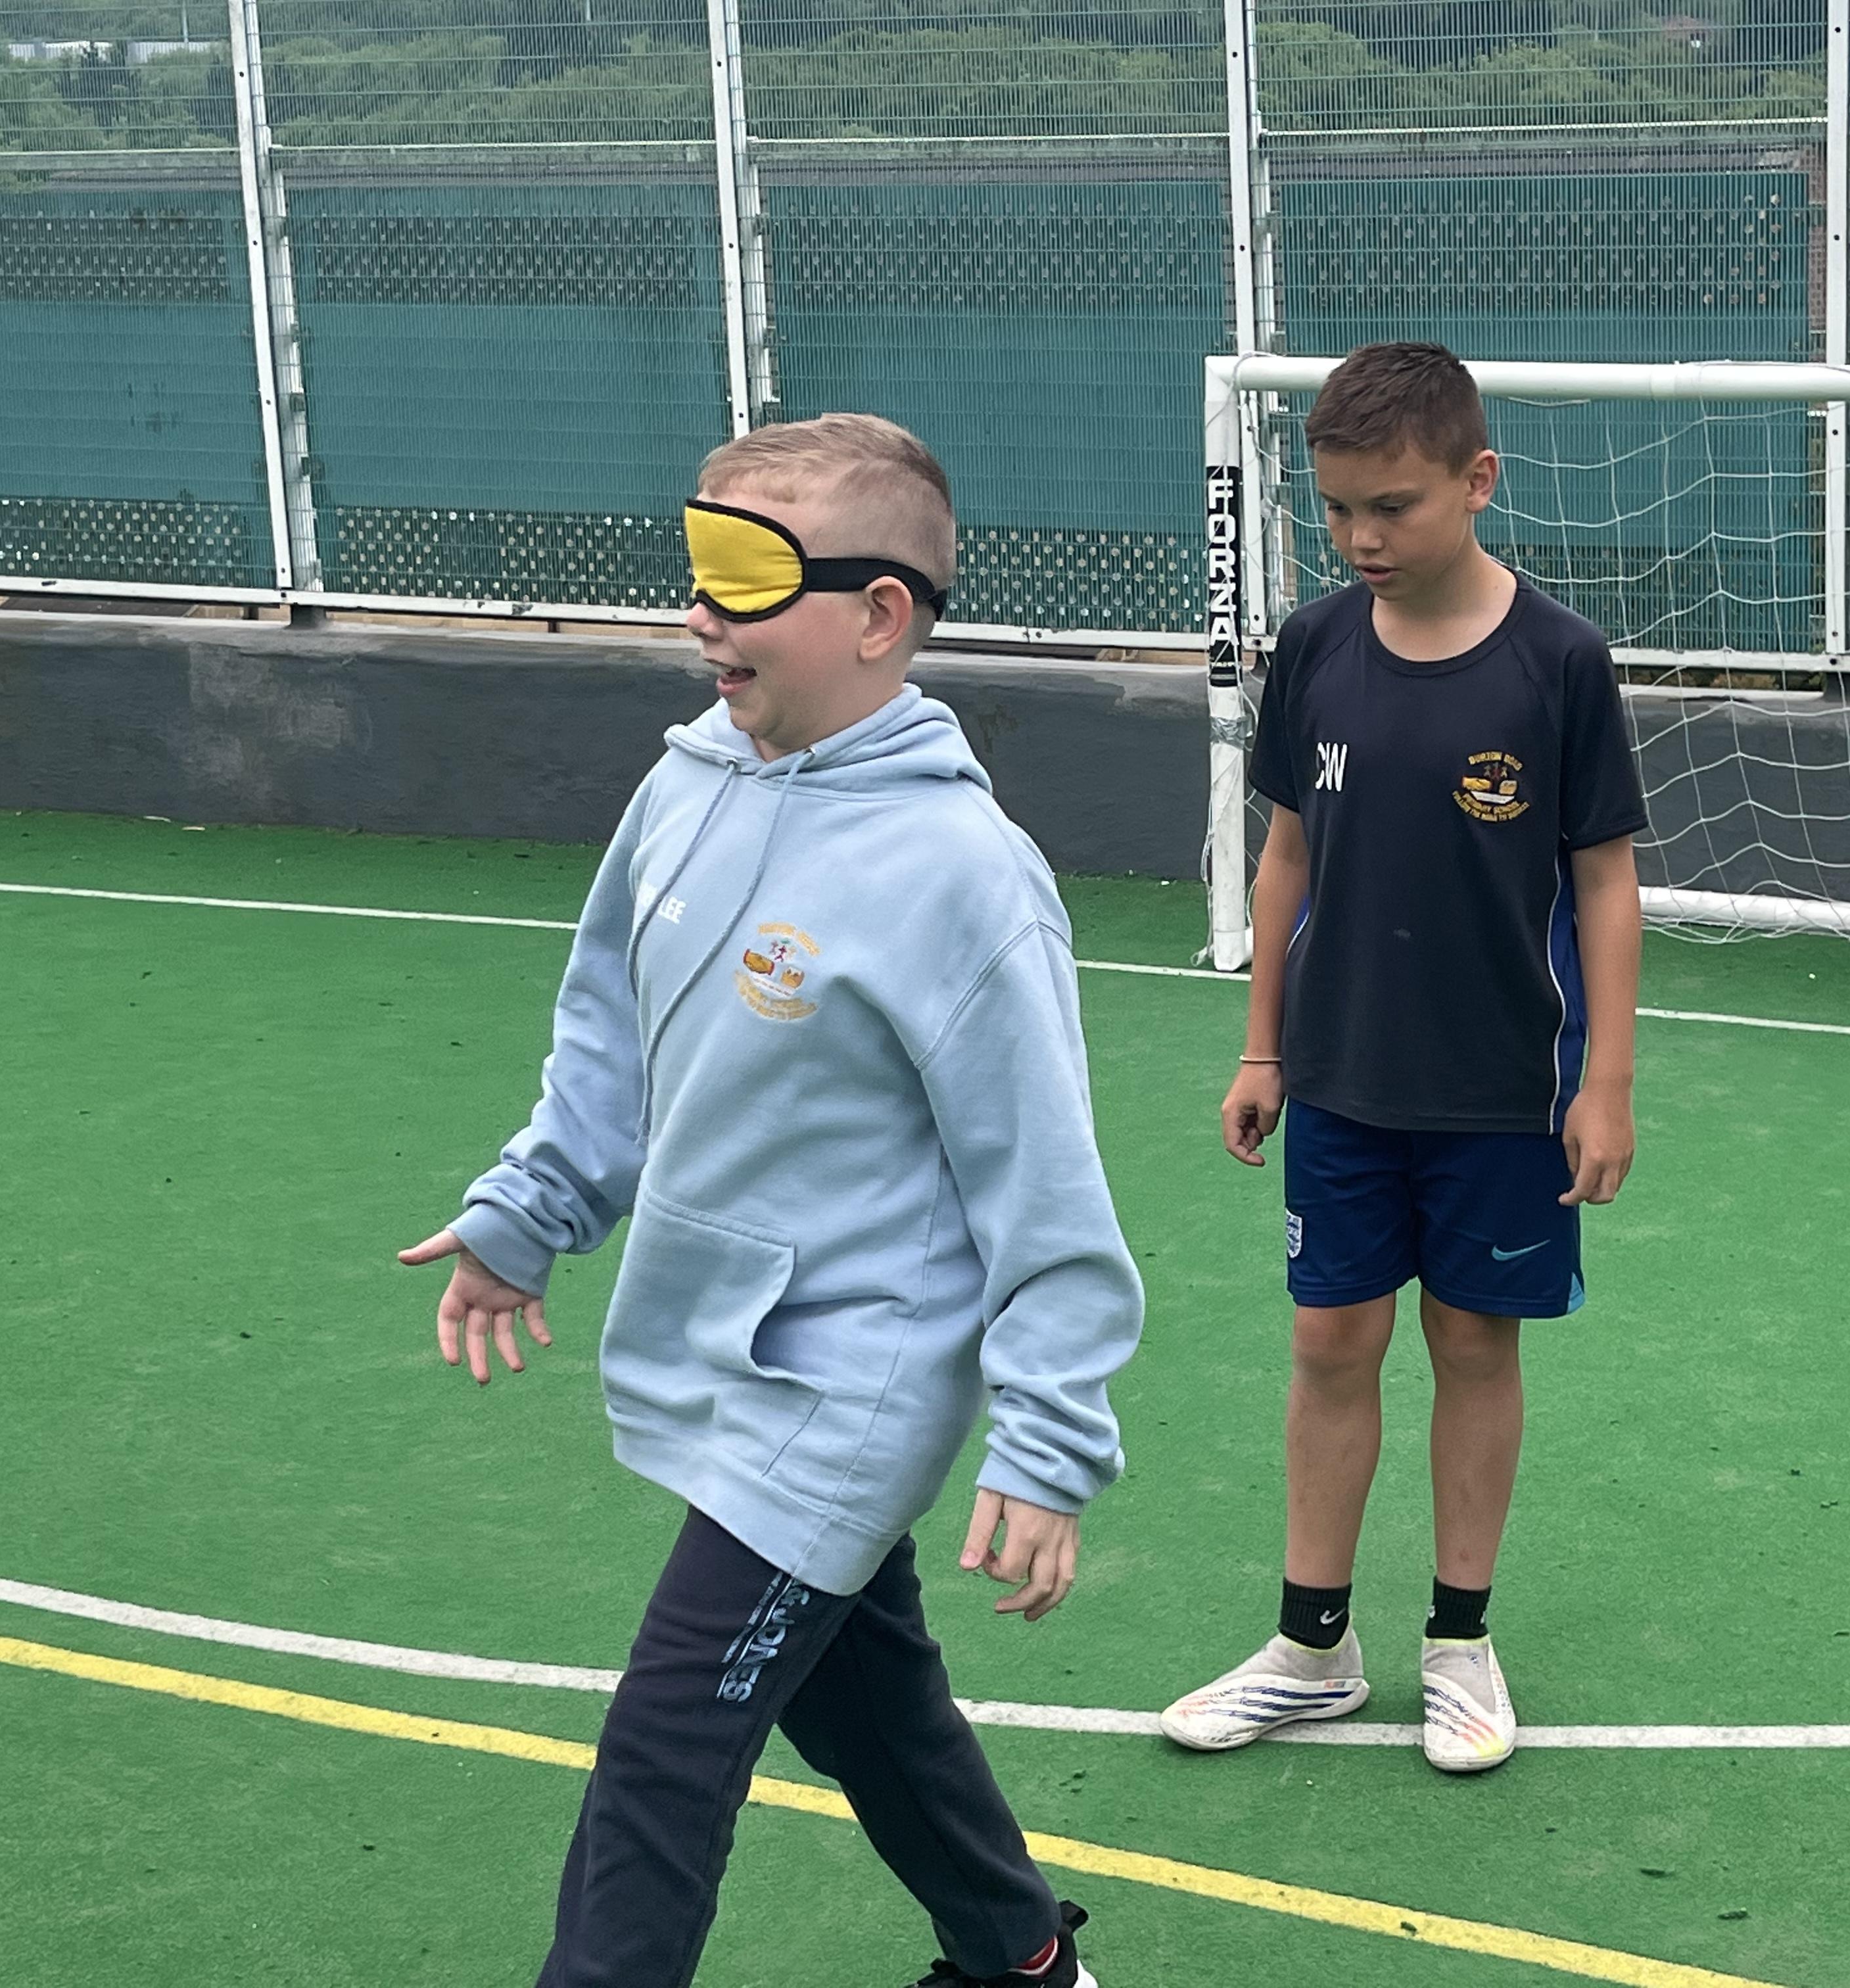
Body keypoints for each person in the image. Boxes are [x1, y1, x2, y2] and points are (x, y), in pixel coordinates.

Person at [398, 413, 1143, 1988]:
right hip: (719, 1355)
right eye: (697, 565)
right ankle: (1024, 1965)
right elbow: (612, 1034)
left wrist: (1048, 1437)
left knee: (665, 1751)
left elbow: (1045, 1190)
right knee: (862, 1699)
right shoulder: (686, 787)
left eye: (746, 575)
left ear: (880, 616)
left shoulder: (964, 874)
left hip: (845, 1392)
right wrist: (532, 1210)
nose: (700, 612)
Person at [1156, 342, 1646, 1775]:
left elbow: (1606, 882)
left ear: (1478, 481)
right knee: (1329, 1342)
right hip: (1341, 1077)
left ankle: (1459, 1643)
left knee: (1474, 1343)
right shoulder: (1314, 647)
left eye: (1395, 506)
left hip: (1503, 1089)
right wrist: (1262, 1047)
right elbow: (1287, 854)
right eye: (1339, 509)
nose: (1363, 537)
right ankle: (1313, 1648)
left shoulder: (1559, 661)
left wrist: (1606, 1083)